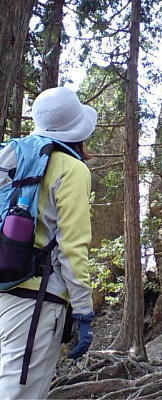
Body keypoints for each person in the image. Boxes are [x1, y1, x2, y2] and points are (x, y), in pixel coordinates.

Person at [0, 87, 97, 399]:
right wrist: (83, 310)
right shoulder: (72, 169)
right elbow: (73, 247)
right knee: (20, 392)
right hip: (38, 301)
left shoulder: (9, 156)